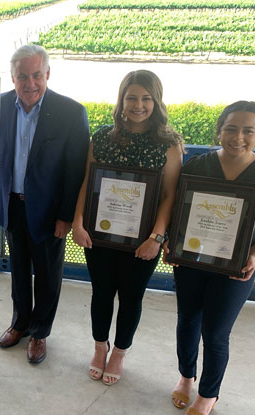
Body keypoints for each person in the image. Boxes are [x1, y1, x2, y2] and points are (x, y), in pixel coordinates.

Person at [168, 101, 255, 415]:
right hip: (192, 261)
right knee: (187, 321)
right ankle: (186, 377)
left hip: (236, 268)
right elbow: (179, 211)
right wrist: (174, 244)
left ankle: (208, 394)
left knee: (216, 333)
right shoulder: (196, 166)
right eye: (231, 128)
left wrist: (253, 253)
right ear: (219, 130)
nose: (238, 137)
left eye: (248, 130)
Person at [72, 70, 184, 385]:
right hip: (100, 234)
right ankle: (99, 347)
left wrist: (157, 237)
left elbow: (170, 194)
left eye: (146, 98)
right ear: (122, 99)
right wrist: (78, 222)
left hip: (142, 240)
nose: (138, 105)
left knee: (132, 297)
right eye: (131, 97)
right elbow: (87, 181)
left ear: (156, 101)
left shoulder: (168, 143)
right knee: (101, 293)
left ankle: (119, 353)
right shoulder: (103, 136)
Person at [0, 44, 89, 364]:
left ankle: (40, 332)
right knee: (18, 271)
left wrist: (66, 216)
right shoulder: (0, 106)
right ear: (12, 78)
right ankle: (20, 323)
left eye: (37, 75)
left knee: (48, 275)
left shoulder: (70, 112)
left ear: (47, 74)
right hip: (11, 206)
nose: (30, 83)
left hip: (50, 213)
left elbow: (76, 170)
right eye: (23, 76)